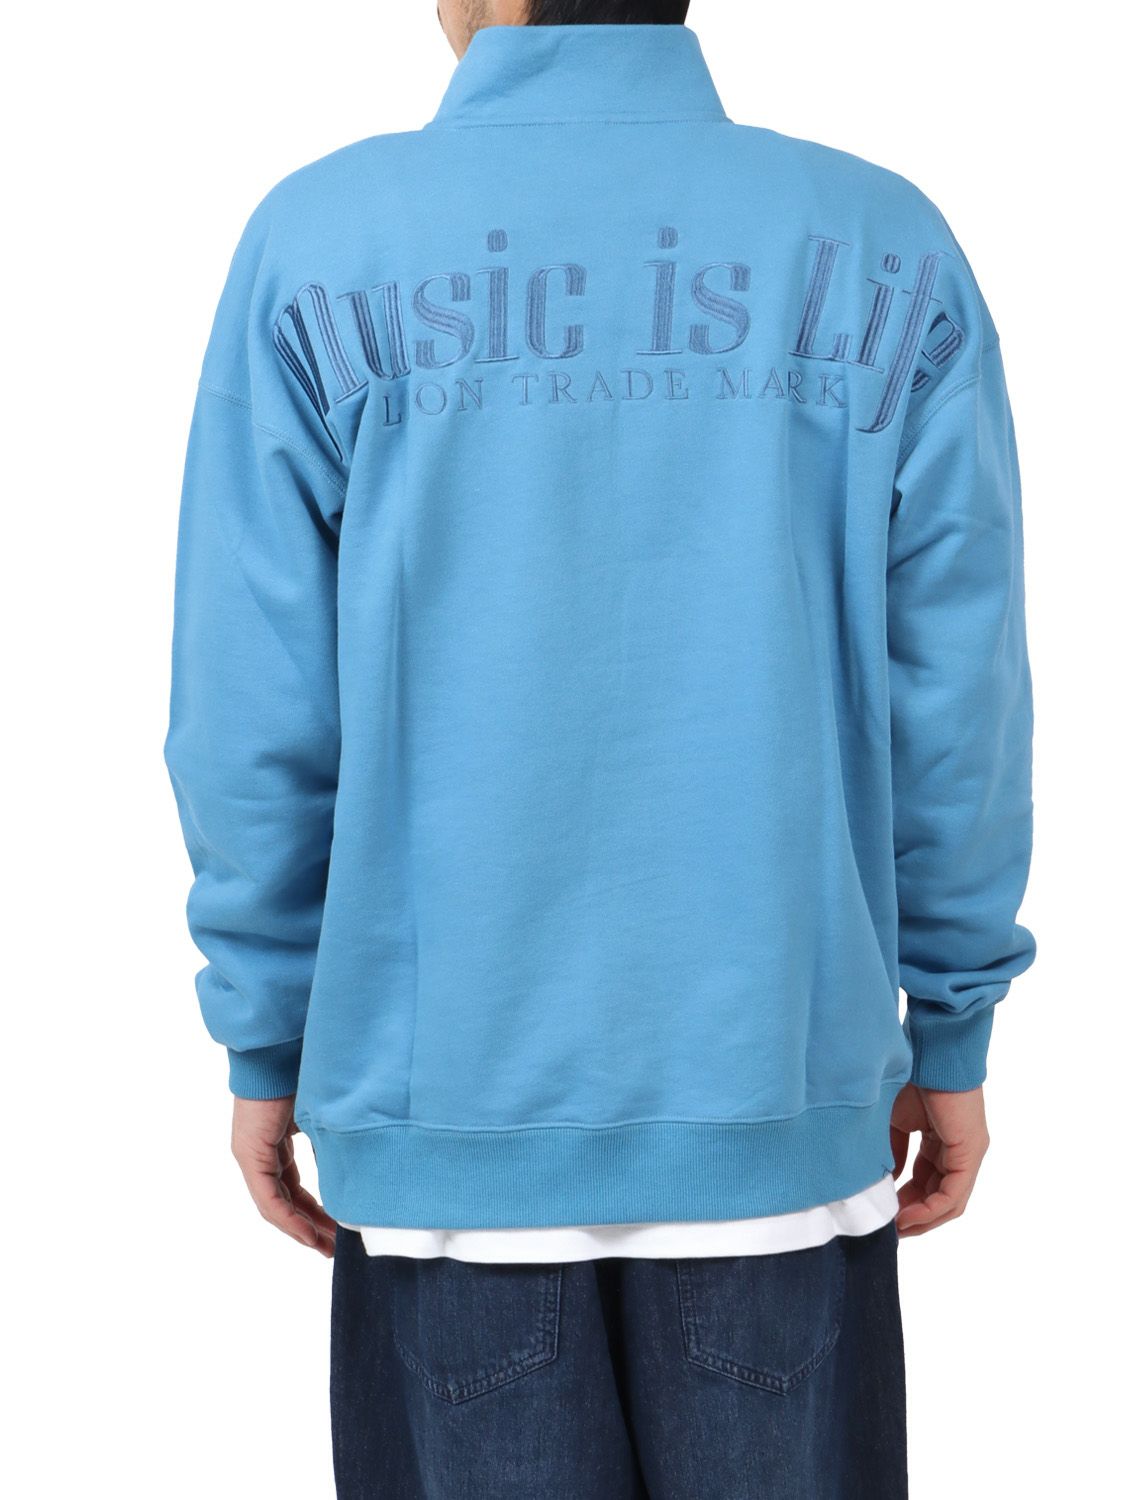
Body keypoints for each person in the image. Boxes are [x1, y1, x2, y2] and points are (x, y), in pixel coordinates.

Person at [165, 2, 1035, 1495]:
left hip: (447, 1143)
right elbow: (958, 697)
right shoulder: (879, 240)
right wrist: (951, 1026)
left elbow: (253, 713)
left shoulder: (320, 243)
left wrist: (267, 1037)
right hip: (780, 1119)